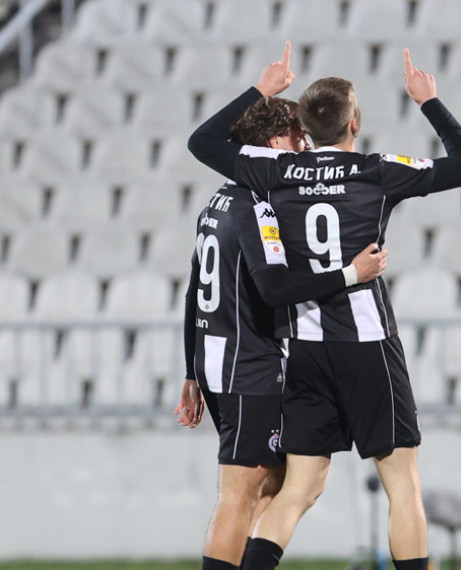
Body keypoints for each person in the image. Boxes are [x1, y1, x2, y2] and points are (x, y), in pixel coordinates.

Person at [187, 43, 461, 570]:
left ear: (305, 125)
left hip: (303, 349)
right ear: (355, 124)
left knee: (298, 489)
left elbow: (203, 141)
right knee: (402, 484)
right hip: (366, 342)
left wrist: (261, 89)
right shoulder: (378, 171)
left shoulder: (274, 170)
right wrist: (428, 101)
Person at [175, 96, 388, 570]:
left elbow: (194, 291)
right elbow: (275, 289)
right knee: (242, 492)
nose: (306, 147)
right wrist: (350, 274)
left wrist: (191, 371)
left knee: (284, 483)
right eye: (299, 138)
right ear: (275, 143)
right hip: (247, 367)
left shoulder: (218, 201)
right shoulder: (256, 206)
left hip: (220, 361)